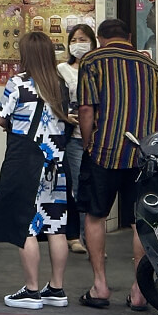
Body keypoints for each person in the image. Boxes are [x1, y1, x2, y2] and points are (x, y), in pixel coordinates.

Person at [77, 18, 158, 311]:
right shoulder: (151, 67)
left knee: (95, 216)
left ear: (100, 37)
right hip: (143, 157)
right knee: (139, 222)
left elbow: (85, 108)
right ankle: (139, 290)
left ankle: (100, 285)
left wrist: (87, 143)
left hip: (103, 152)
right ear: (130, 37)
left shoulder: (92, 61)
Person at [0, 31, 71, 310]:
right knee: (56, 226)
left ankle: (32, 291)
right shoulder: (59, 84)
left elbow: (1, 118)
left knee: (27, 225)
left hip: (27, 162)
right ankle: (56, 289)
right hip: (56, 164)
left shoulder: (18, 84)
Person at [56, 24, 97, 255]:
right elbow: (56, 100)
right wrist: (66, 117)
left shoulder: (97, 67)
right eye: (74, 39)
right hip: (73, 136)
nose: (78, 43)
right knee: (77, 187)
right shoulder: (63, 69)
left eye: (83, 39)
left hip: (97, 136)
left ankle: (90, 238)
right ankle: (78, 236)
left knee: (93, 188)